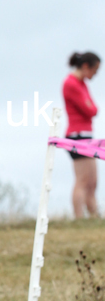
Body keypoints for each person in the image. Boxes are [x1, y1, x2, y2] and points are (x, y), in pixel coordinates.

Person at [62, 51, 100, 218]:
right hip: (77, 136)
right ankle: (79, 217)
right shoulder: (71, 83)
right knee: (83, 180)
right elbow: (90, 109)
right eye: (95, 70)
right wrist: (90, 107)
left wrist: (91, 107)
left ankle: (95, 217)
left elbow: (93, 108)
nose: (95, 75)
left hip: (86, 135)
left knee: (92, 182)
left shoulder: (82, 83)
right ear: (86, 66)